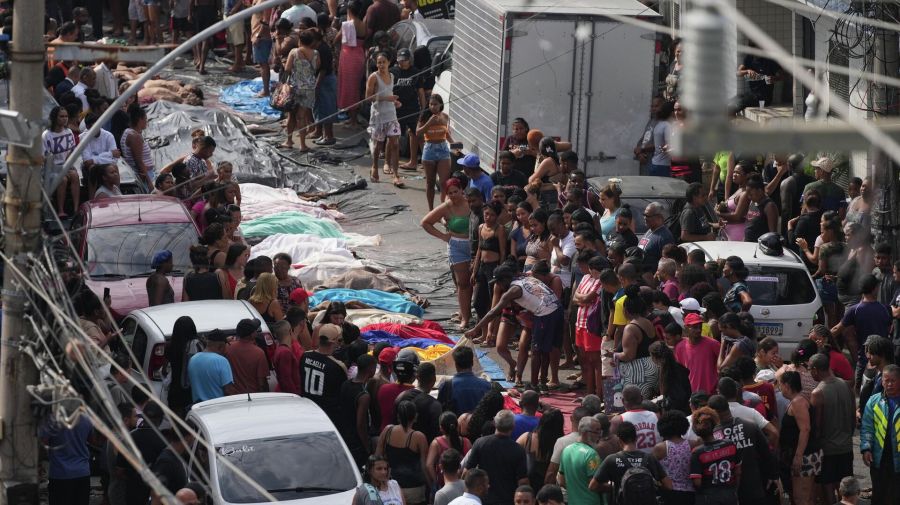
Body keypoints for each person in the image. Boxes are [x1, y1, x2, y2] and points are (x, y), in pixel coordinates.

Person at [464, 263, 563, 392]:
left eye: (499, 282)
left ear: (506, 279)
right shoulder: (526, 278)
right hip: (557, 309)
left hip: (545, 314)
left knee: (536, 351)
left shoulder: (513, 290)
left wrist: (475, 329)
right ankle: (542, 383)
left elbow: (493, 312)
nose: (499, 286)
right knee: (545, 350)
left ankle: (534, 385)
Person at [708, 394, 776, 505]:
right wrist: (773, 475)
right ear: (728, 407)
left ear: (714, 413)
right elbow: (767, 453)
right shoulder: (750, 426)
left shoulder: (714, 435)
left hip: (729, 492)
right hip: (754, 487)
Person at [807, 353, 855, 503]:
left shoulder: (818, 393)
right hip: (846, 447)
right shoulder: (845, 385)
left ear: (815, 370)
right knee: (845, 488)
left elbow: (817, 426)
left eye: (809, 369)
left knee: (827, 487)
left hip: (827, 449)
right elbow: (853, 417)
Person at [589, 421, 673, 503]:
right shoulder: (649, 458)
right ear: (636, 438)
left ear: (619, 440)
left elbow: (592, 486)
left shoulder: (611, 460)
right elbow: (669, 485)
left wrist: (615, 487)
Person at [833, 273, 891, 386]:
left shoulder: (855, 310)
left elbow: (836, 329)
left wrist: (821, 340)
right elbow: (889, 329)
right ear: (875, 289)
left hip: (864, 361)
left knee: (859, 391)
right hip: (883, 362)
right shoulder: (885, 309)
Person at [464, 410, 529, 505]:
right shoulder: (518, 450)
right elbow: (522, 481)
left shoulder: (480, 443)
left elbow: (466, 472)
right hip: (508, 500)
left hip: (483, 499)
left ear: (494, 423)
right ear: (513, 426)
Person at [779, 370, 821, 505]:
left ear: (787, 385)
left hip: (805, 456)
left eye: (780, 384)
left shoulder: (798, 402)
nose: (780, 388)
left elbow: (805, 429)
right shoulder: (796, 401)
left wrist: (798, 456)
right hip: (803, 454)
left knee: (801, 498)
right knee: (806, 497)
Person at [860, 363, 900, 505]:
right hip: (880, 456)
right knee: (879, 495)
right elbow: (867, 428)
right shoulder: (874, 401)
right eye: (886, 380)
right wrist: (866, 448)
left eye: (893, 381)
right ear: (881, 381)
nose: (889, 384)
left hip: (898, 458)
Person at [376, 400, 429, 504]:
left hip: (391, 489)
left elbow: (377, 457)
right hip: (414, 490)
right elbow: (424, 466)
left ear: (398, 416)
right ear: (415, 416)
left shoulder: (388, 430)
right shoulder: (419, 437)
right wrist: (431, 485)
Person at [614, 286, 660, 400]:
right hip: (652, 367)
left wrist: (615, 355)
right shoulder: (648, 322)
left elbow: (629, 355)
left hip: (638, 373)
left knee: (635, 404)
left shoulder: (630, 328)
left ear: (625, 310)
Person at [366, 51, 404, 187]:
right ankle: (375, 166)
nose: (381, 65)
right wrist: (387, 98)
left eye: (383, 62)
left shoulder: (392, 76)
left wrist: (395, 102)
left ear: (389, 63)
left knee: (395, 144)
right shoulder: (373, 77)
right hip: (378, 116)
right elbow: (368, 97)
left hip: (391, 115)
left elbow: (389, 93)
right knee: (378, 145)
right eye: (379, 62)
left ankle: (396, 174)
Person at [689, 406, 741, 505]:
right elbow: (738, 472)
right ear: (714, 425)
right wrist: (735, 490)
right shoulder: (729, 444)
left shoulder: (697, 453)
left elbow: (697, 482)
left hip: (708, 497)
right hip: (729, 493)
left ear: (696, 430)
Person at [301, 323, 347, 424]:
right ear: (334, 342)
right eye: (340, 340)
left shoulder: (305, 356)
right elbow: (342, 393)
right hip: (327, 414)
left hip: (307, 408)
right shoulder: (337, 366)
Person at [41, 415, 92, 505]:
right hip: (82, 473)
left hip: (60, 474)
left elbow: (43, 442)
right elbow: (92, 440)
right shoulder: (87, 419)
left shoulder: (53, 420)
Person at [282, 30, 319, 152]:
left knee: (291, 115)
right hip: (309, 88)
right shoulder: (316, 53)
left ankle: (289, 141)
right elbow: (317, 67)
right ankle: (303, 144)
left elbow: (287, 69)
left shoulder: (294, 52)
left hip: (295, 87)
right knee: (302, 116)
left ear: (300, 40)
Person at [390, 48, 425, 169]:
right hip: (396, 110)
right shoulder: (392, 72)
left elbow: (421, 93)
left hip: (413, 109)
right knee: (393, 136)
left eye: (405, 60)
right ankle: (389, 163)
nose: (402, 62)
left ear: (409, 60)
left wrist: (423, 110)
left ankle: (416, 162)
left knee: (417, 135)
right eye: (400, 60)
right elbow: (387, 90)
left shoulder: (416, 72)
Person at [418, 93, 454, 209]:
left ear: (441, 105)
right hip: (429, 149)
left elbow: (447, 134)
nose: (433, 107)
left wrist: (454, 144)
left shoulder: (445, 117)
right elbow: (418, 132)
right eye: (431, 104)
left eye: (436, 104)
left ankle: (443, 209)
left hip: (443, 149)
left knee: (444, 183)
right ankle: (431, 209)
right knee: (430, 183)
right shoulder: (425, 117)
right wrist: (429, 123)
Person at [43, 106, 80, 216]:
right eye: (61, 116)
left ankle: (76, 209)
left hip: (66, 165)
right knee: (62, 179)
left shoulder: (69, 132)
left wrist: (66, 165)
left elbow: (72, 150)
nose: (65, 119)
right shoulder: (46, 135)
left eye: (66, 116)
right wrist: (60, 169)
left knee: (75, 176)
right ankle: (60, 210)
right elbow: (45, 157)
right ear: (55, 118)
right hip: (51, 169)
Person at [557, 416, 603, 505]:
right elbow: (594, 485)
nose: (599, 435)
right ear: (585, 433)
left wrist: (576, 489)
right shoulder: (591, 454)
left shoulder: (566, 450)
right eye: (596, 432)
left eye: (600, 431)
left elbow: (561, 481)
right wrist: (611, 486)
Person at [651, 411, 694, 505]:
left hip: (669, 493)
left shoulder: (660, 448)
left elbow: (653, 471)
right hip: (691, 492)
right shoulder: (693, 444)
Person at [517, 408, 564, 491]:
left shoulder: (527, 438)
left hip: (526, 488)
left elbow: (512, 454)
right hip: (548, 491)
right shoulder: (560, 444)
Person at [438, 346, 491, 415]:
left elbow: (440, 409)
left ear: (456, 365)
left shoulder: (447, 386)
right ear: (472, 363)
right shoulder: (486, 385)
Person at [164, 316, 199, 417]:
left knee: (177, 422)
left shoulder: (170, 347)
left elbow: (165, 370)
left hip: (175, 392)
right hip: (192, 392)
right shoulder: (196, 346)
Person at [187, 329, 236, 402]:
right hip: (216, 406)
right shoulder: (221, 361)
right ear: (221, 346)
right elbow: (228, 390)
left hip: (198, 406)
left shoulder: (193, 359)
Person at [610, 386, 660, 454]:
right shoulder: (657, 416)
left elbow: (612, 446)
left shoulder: (618, 420)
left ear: (622, 401)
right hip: (655, 459)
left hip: (630, 460)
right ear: (642, 398)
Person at [649, 341, 691, 414]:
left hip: (679, 413)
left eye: (651, 356)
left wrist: (659, 403)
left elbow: (677, 397)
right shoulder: (667, 368)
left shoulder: (673, 371)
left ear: (656, 358)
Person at [120, 102, 155, 191]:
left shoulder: (128, 132)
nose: (147, 121)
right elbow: (139, 162)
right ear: (140, 119)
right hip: (144, 176)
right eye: (145, 119)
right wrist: (149, 182)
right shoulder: (135, 137)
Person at [638, 202, 675, 280]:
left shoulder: (665, 237)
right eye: (644, 215)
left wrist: (654, 281)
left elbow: (667, 264)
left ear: (659, 217)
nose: (644, 218)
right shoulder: (650, 230)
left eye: (647, 216)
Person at [635, 97, 663, 173]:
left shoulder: (665, 123)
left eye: (656, 106)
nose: (653, 109)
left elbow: (661, 145)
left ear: (663, 107)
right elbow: (643, 139)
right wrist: (639, 153)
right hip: (645, 162)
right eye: (652, 106)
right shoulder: (651, 121)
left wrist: (642, 148)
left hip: (657, 164)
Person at [650, 101, 675, 177]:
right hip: (663, 166)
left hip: (655, 163)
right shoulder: (667, 126)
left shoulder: (659, 125)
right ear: (672, 113)